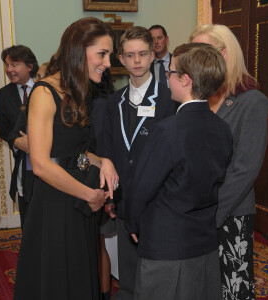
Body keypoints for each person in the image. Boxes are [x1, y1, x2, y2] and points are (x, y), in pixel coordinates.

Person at [13, 17, 119, 300]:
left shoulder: (77, 91)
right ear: (78, 50)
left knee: (80, 276)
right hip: (55, 206)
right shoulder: (44, 92)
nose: (108, 63)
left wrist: (102, 161)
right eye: (102, 54)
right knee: (58, 280)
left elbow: (76, 153)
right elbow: (42, 164)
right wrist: (89, 194)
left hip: (78, 205)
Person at [124, 42, 233, 300]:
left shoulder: (167, 130)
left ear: (184, 80)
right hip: (204, 242)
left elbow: (141, 188)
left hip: (166, 245)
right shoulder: (222, 129)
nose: (166, 77)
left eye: (170, 72)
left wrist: (132, 221)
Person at [189, 24, 268, 300]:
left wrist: (211, 213)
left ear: (224, 55)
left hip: (230, 212)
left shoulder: (252, 101)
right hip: (194, 212)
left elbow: (245, 170)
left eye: (203, 51)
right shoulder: (194, 99)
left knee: (234, 288)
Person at [103, 26, 177, 300]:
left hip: (159, 202)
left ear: (152, 54)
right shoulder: (114, 102)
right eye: (130, 55)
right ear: (120, 59)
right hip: (124, 200)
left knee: (157, 271)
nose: (137, 61)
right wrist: (111, 196)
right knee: (129, 272)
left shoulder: (169, 99)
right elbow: (109, 149)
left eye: (142, 54)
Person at [0, 45, 39, 228]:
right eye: (6, 65)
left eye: (14, 64)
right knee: (28, 219)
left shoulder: (44, 87)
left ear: (29, 66)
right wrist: (16, 141)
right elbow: (3, 129)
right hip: (23, 163)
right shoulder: (2, 95)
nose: (9, 70)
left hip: (52, 161)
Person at [90, 68, 116, 300]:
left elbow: (98, 146)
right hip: (104, 180)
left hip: (95, 180)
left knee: (96, 245)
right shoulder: (112, 99)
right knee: (99, 245)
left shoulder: (96, 104)